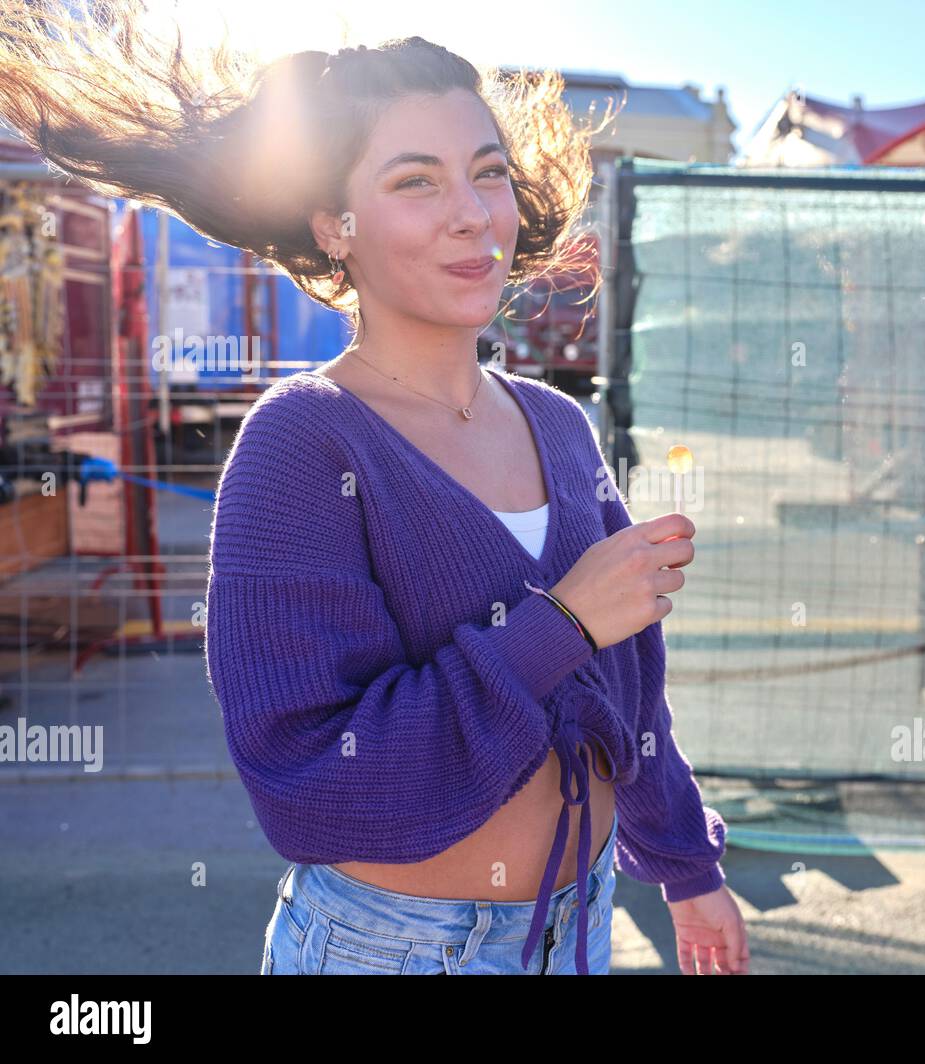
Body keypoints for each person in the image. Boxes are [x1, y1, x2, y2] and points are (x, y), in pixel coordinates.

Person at [0, 2, 748, 975]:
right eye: (415, 181)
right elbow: (314, 784)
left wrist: (687, 866)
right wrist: (559, 622)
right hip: (395, 949)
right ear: (333, 225)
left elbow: (629, 696)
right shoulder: (300, 445)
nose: (472, 213)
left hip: (581, 923)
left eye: (488, 172)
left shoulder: (561, 427)